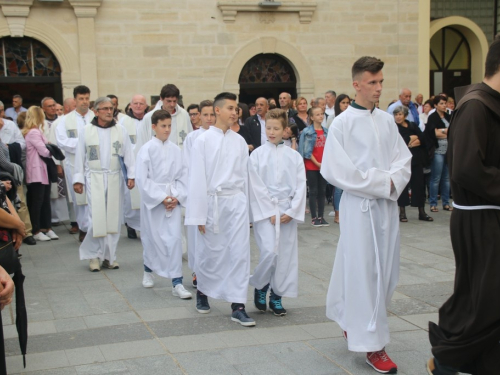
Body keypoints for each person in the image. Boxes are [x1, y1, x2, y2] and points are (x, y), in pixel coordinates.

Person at [320, 56, 411, 374]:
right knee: (365, 273)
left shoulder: (387, 121)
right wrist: (379, 182)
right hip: (359, 208)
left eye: (381, 82)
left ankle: (350, 317)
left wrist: (392, 181)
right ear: (356, 84)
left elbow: (403, 159)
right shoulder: (342, 124)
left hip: (386, 206)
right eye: (372, 82)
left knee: (385, 273)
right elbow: (333, 168)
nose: (379, 88)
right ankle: (373, 345)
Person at [427, 34, 500, 375]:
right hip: (479, 219)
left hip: (489, 216)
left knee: (485, 298)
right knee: (481, 301)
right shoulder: (476, 106)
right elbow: (469, 169)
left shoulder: (488, 102)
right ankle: (446, 357)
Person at [185, 92, 255, 326]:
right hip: (212, 203)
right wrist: (198, 213)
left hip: (235, 202)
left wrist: (249, 211)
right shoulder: (202, 141)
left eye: (237, 109)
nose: (235, 112)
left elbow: (246, 177)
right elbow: (196, 178)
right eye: (231, 108)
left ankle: (238, 304)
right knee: (211, 252)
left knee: (239, 253)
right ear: (217, 111)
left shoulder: (239, 141)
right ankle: (203, 291)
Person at [248, 108, 306, 316]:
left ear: (285, 130)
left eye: (276, 128)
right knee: (269, 252)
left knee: (284, 255)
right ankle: (261, 285)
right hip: (266, 211)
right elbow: (255, 185)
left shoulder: (294, 157)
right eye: (268, 128)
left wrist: (292, 211)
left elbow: (301, 184)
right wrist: (268, 211)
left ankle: (277, 295)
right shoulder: (257, 155)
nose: (271, 132)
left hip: (287, 209)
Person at [73, 97, 135, 272]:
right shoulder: (87, 130)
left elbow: (128, 154)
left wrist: (131, 175)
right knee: (96, 218)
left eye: (111, 108)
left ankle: (109, 256)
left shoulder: (120, 130)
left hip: (115, 177)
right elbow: (79, 156)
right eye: (105, 108)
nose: (109, 112)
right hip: (95, 178)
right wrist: (78, 179)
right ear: (96, 111)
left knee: (113, 220)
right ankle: (93, 255)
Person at [136, 109, 192, 299]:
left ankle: (177, 282)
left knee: (175, 240)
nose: (167, 130)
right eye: (163, 126)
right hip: (155, 202)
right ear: (154, 127)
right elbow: (143, 179)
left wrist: (176, 197)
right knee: (152, 238)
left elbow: (184, 176)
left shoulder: (176, 150)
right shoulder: (146, 149)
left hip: (172, 200)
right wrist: (161, 198)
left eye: (169, 126)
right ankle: (147, 270)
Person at [182, 100, 215, 290]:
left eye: (212, 115)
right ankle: (197, 271)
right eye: (205, 115)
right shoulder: (192, 138)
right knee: (196, 235)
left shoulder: (222, 136)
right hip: (197, 191)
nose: (209, 119)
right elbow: (187, 167)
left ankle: (212, 270)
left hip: (216, 195)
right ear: (198, 117)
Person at [56, 85, 93, 241]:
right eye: (81, 99)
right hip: (74, 165)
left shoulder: (96, 116)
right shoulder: (65, 121)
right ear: (75, 100)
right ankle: (83, 227)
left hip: (94, 164)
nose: (84, 102)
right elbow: (62, 141)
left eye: (86, 98)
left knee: (94, 197)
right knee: (79, 199)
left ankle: (94, 227)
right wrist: (83, 143)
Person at [23, 106, 59, 241]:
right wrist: (54, 150)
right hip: (36, 171)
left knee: (44, 200)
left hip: (42, 170)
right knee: (37, 201)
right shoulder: (33, 132)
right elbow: (44, 151)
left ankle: (46, 227)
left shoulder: (36, 131)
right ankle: (36, 229)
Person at [393, 105, 433, 222]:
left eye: (400, 114)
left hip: (416, 159)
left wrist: (412, 140)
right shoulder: (395, 128)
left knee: (419, 185)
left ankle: (421, 212)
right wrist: (412, 140)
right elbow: (402, 141)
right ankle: (402, 212)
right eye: (396, 114)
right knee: (403, 186)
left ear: (405, 115)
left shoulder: (412, 125)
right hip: (402, 161)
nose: (398, 117)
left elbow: (423, 138)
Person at [118, 94, 148, 239]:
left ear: (146, 106)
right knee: (129, 196)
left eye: (141, 103)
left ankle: (144, 226)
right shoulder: (123, 121)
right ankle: (130, 224)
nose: (138, 106)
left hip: (145, 163)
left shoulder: (149, 120)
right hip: (130, 162)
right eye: (135, 103)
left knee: (143, 194)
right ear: (130, 105)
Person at [137, 84, 191, 150]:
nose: (172, 104)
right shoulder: (149, 117)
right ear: (161, 98)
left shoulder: (184, 115)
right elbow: (142, 142)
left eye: (174, 101)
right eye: (169, 101)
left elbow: (190, 139)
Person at [299, 106, 329, 227]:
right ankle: (314, 217)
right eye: (317, 114)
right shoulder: (307, 132)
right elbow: (306, 151)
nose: (320, 116)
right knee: (313, 191)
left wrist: (325, 163)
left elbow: (329, 149)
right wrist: (317, 163)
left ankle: (321, 216)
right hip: (312, 165)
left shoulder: (327, 131)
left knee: (322, 191)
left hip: (324, 165)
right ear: (311, 117)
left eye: (322, 114)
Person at [424, 95, 452, 213]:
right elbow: (433, 133)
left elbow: (453, 131)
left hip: (448, 150)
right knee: (436, 178)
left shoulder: (449, 116)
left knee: (446, 178)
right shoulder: (433, 117)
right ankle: (433, 203)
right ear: (435, 105)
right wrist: (445, 131)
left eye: (445, 103)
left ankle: (446, 203)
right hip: (438, 151)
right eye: (441, 103)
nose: (444, 105)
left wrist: (442, 131)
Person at [328, 94, 351, 223]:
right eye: (343, 102)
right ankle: (338, 213)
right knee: (338, 188)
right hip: (338, 155)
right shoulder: (333, 119)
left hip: (350, 156)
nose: (346, 105)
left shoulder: (352, 118)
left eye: (348, 102)